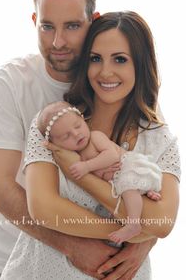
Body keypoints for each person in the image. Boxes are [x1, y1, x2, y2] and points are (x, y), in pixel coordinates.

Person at [0, 0, 157, 280]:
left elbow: (151, 172)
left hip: (105, 262)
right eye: (47, 27)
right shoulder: (10, 83)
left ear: (94, 20)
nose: (58, 41)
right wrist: (70, 245)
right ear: (35, 22)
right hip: (8, 261)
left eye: (72, 26)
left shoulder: (116, 83)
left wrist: (144, 240)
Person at [0, 11, 180, 280]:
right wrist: (134, 230)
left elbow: (162, 223)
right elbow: (44, 209)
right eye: (96, 59)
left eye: (120, 59)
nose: (105, 71)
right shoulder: (55, 123)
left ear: (140, 65)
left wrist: (81, 173)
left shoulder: (160, 141)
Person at [37, 100, 162, 244]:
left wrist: (88, 166)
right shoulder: (76, 156)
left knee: (129, 189)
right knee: (125, 194)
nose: (76, 134)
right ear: (56, 143)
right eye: (66, 136)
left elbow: (112, 156)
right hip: (118, 181)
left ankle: (133, 224)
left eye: (77, 126)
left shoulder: (95, 137)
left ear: (83, 120)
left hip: (128, 166)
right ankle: (147, 192)